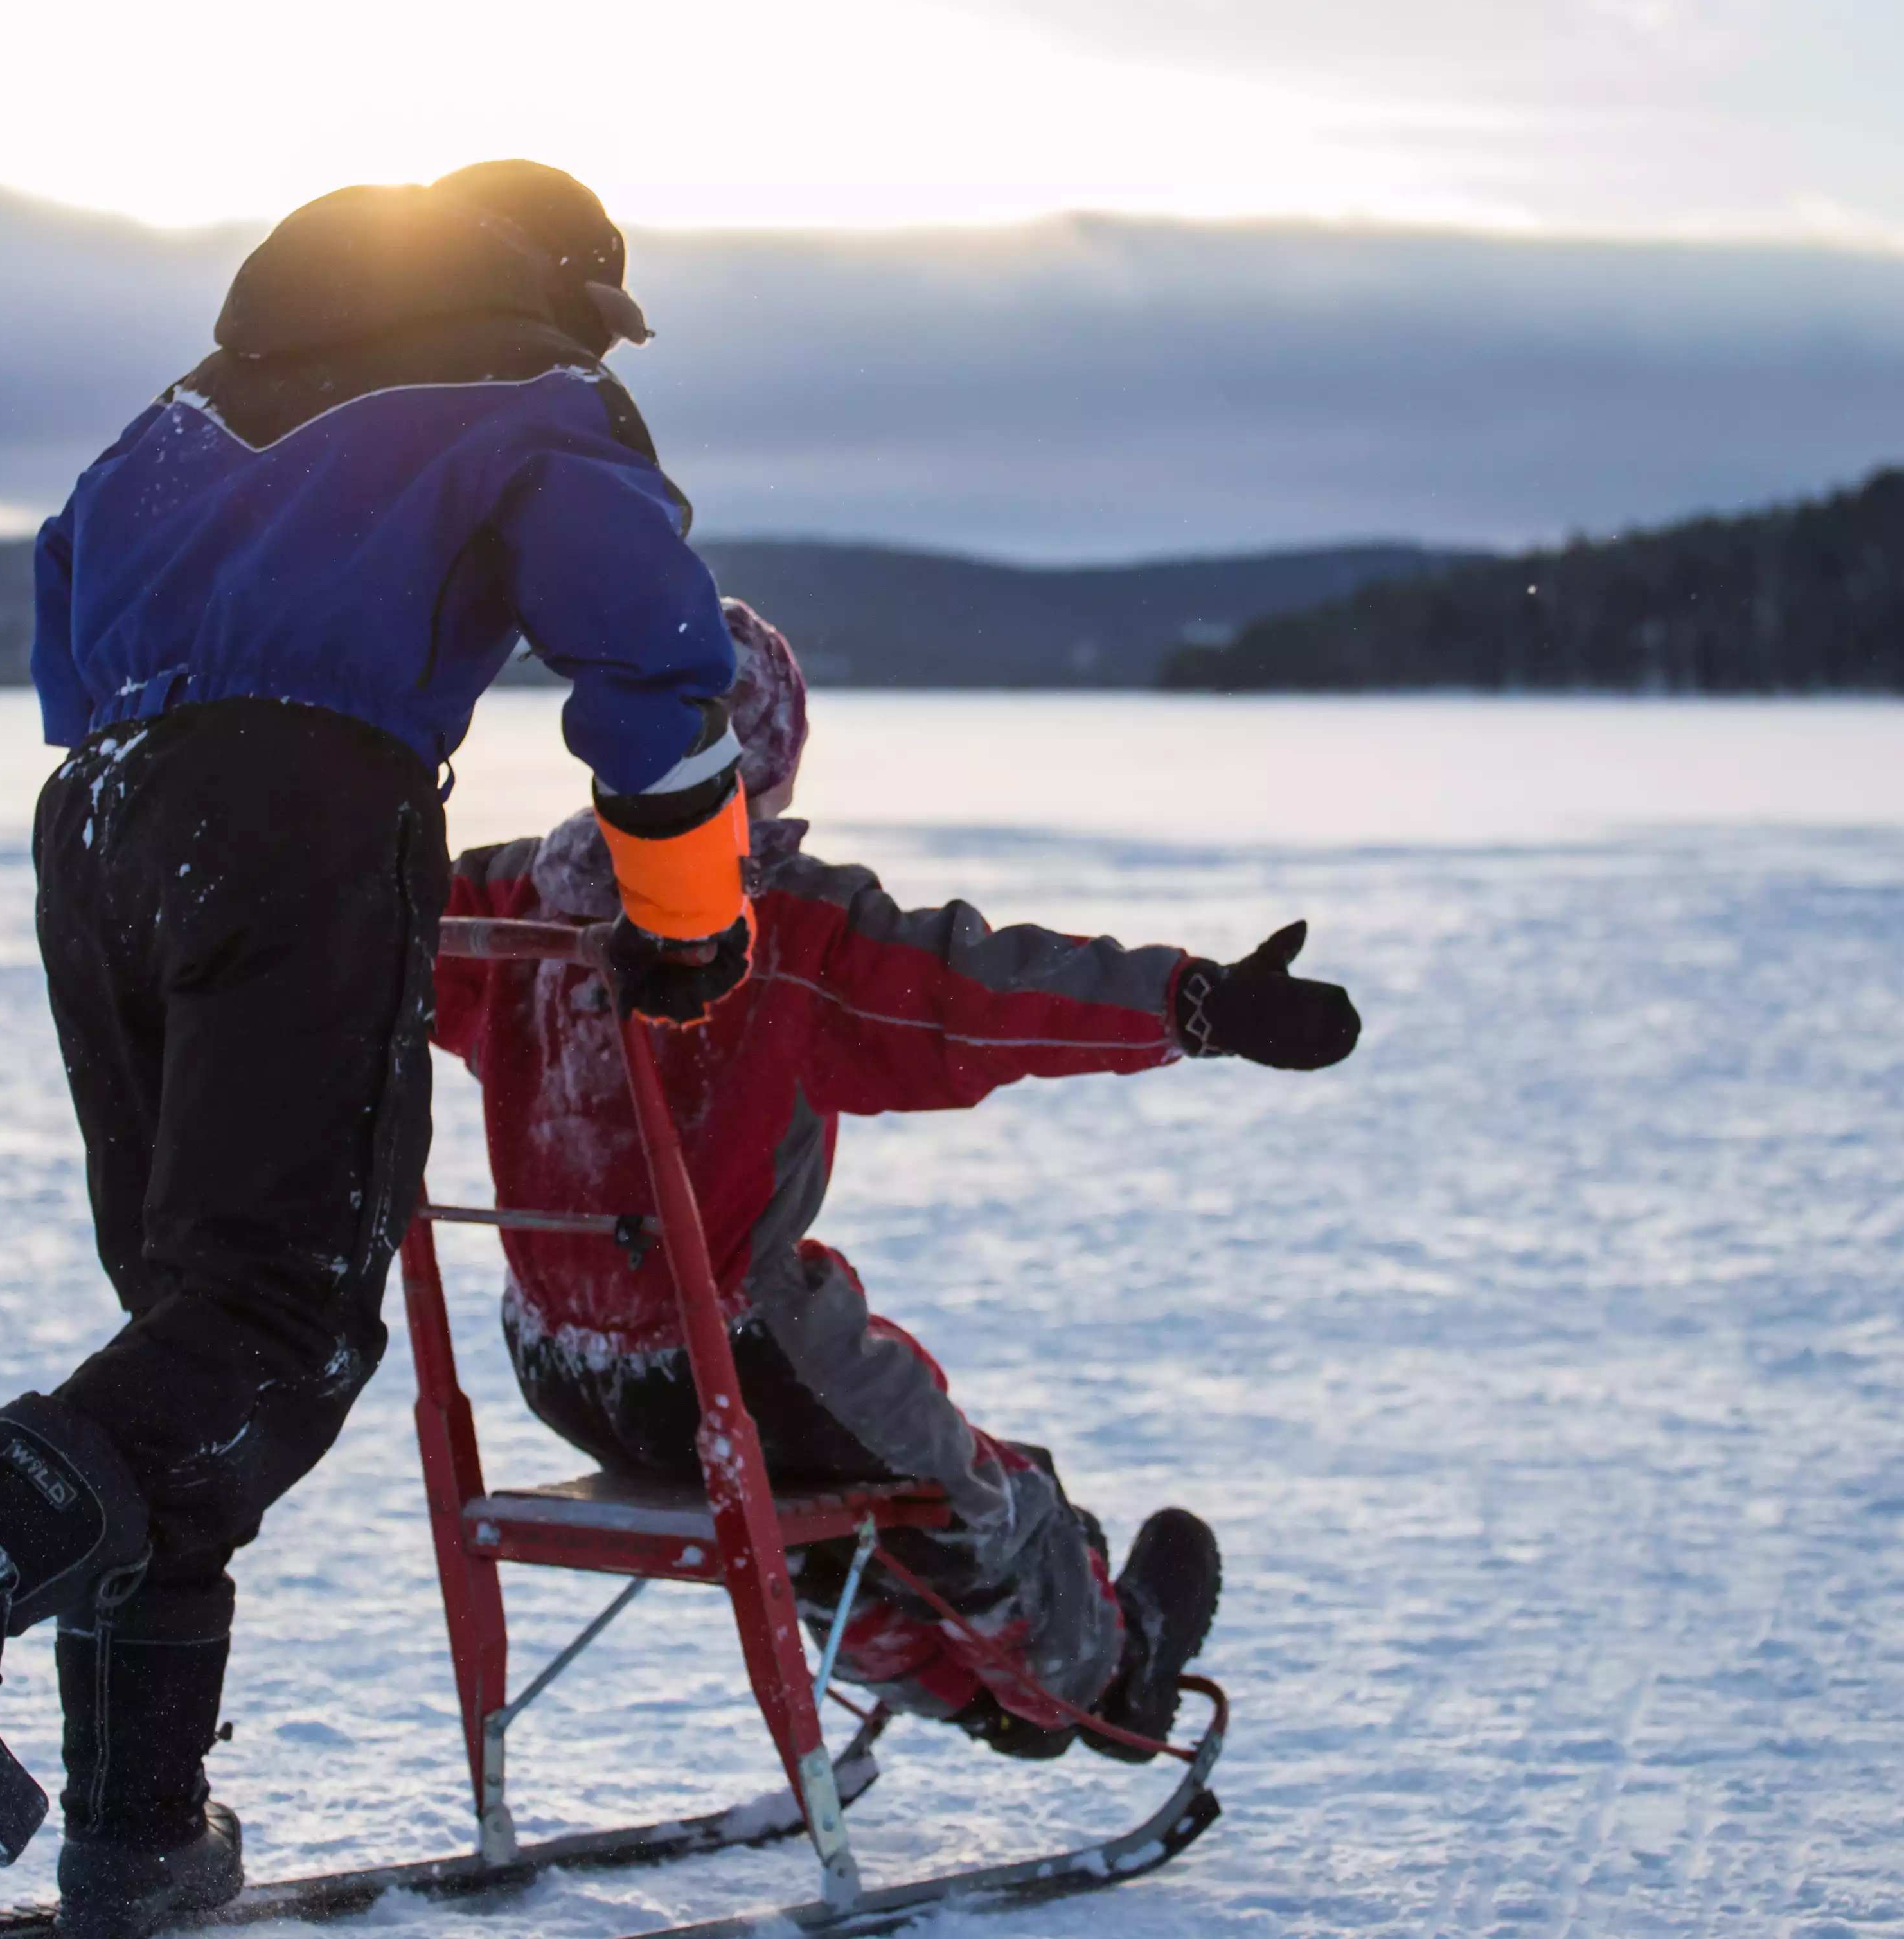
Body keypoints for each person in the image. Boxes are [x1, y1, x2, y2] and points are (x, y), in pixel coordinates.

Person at [0, 163, 766, 1938]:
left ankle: (139, 1839)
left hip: (104, 825)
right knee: (275, 1319)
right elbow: (656, 661)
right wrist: (689, 924)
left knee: (188, 1330)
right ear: (559, 282)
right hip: (305, 807)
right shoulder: (535, 393)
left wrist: (181, 774)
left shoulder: (177, 415)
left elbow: (67, 619)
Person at [431, 601, 1360, 1756]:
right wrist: (1195, 1003)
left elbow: (368, 935)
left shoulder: (504, 897)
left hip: (556, 1364)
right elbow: (983, 996)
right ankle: (1105, 1681)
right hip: (740, 1358)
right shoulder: (786, 928)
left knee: (824, 1515)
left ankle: (979, 1697)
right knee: (970, 1500)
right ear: (763, 762)